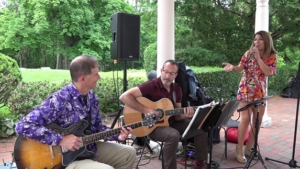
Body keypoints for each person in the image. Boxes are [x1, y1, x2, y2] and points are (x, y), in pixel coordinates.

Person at [15, 54, 136, 169]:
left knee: (129, 153)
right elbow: (23, 125)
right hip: (63, 161)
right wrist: (61, 140)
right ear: (83, 78)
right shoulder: (60, 100)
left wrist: (117, 135)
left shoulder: (92, 98)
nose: (99, 77)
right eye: (96, 74)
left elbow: (97, 129)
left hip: (87, 149)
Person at [119, 59, 207, 169]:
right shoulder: (151, 85)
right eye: (165, 71)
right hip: (152, 126)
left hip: (170, 123)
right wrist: (146, 110)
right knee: (173, 135)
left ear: (176, 75)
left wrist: (186, 115)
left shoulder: (176, 89)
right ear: (161, 71)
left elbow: (178, 116)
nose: (167, 76)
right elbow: (124, 96)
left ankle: (200, 163)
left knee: (200, 125)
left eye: (171, 73)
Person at [222, 30, 277, 163]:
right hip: (245, 89)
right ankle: (239, 148)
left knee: (257, 122)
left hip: (259, 92)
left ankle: (250, 148)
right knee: (245, 119)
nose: (256, 42)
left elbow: (269, 72)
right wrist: (232, 67)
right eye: (255, 39)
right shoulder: (248, 53)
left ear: (266, 41)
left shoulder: (272, 55)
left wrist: (258, 58)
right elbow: (240, 68)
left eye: (260, 39)